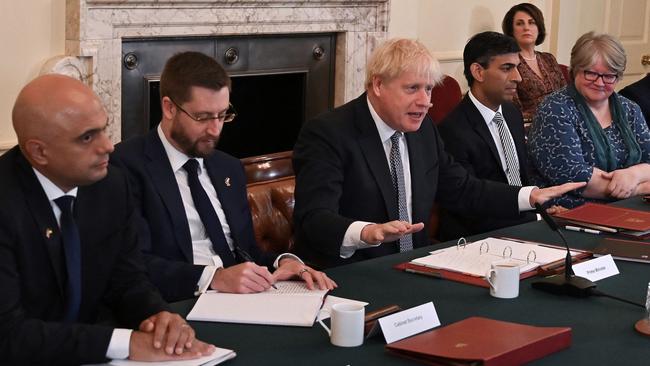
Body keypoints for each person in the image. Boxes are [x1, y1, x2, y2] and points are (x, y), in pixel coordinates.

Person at [292, 38, 584, 268]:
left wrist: (528, 196)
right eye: (412, 89)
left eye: (429, 89)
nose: (425, 101)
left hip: (413, 265)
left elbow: (462, 188)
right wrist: (366, 232)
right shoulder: (328, 133)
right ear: (378, 85)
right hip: (352, 271)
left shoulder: (424, 130)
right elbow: (315, 217)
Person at [0, 74, 214, 364]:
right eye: (87, 137)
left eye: (104, 129)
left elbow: (127, 279)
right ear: (39, 151)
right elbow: (9, 334)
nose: (108, 146)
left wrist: (158, 316)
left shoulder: (111, 185)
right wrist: (125, 343)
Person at [112, 51, 335, 302]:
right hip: (177, 304)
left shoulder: (227, 167)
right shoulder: (126, 165)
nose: (215, 129)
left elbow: (246, 253)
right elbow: (132, 262)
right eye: (203, 117)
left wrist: (285, 262)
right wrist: (214, 278)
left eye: (222, 115)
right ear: (169, 107)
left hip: (241, 301)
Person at [528, 32, 650, 208]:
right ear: (575, 70)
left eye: (609, 76)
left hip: (630, 206)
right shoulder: (555, 109)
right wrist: (640, 188)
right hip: (572, 211)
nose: (600, 83)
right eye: (591, 73)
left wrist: (633, 174)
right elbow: (575, 177)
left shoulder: (630, 109)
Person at [437, 32, 537, 241]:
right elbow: (470, 205)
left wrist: (542, 211)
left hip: (523, 224)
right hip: (480, 237)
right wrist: (534, 220)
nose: (518, 77)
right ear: (478, 72)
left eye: (517, 67)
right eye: (507, 68)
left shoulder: (511, 114)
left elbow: (521, 177)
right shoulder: (453, 129)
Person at [502, 2, 566, 121]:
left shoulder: (549, 59)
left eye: (532, 22)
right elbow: (514, 109)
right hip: (531, 126)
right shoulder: (509, 64)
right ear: (511, 30)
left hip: (564, 120)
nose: (526, 27)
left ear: (539, 28)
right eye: (520, 23)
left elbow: (566, 94)